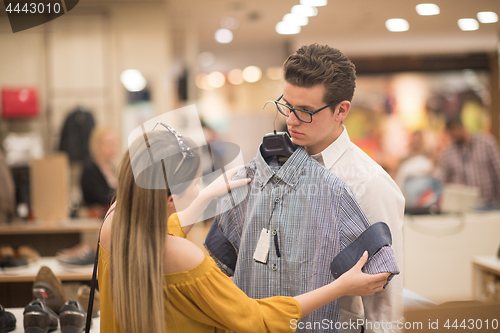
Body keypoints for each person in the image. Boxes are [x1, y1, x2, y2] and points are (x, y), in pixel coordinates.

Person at [97, 127, 389, 333]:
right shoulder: (184, 256)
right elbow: (256, 318)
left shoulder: (114, 221)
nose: (202, 185)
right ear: (171, 200)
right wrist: (340, 288)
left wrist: (202, 197)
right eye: (197, 182)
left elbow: (152, 236)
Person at [208, 44, 404, 333]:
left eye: (305, 111)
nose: (290, 120)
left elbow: (385, 305)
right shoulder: (262, 170)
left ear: (341, 110)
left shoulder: (368, 183)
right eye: (287, 105)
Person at [440, 116, 500, 209]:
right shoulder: (448, 152)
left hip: (490, 202)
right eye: (450, 132)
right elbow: (444, 179)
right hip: (462, 206)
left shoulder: (486, 143)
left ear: (462, 127)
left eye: (454, 129)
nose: (453, 134)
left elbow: (498, 170)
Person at [80, 126, 119, 211]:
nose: (113, 148)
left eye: (114, 144)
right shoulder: (89, 169)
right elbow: (100, 196)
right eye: (109, 144)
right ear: (97, 145)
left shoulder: (112, 169)